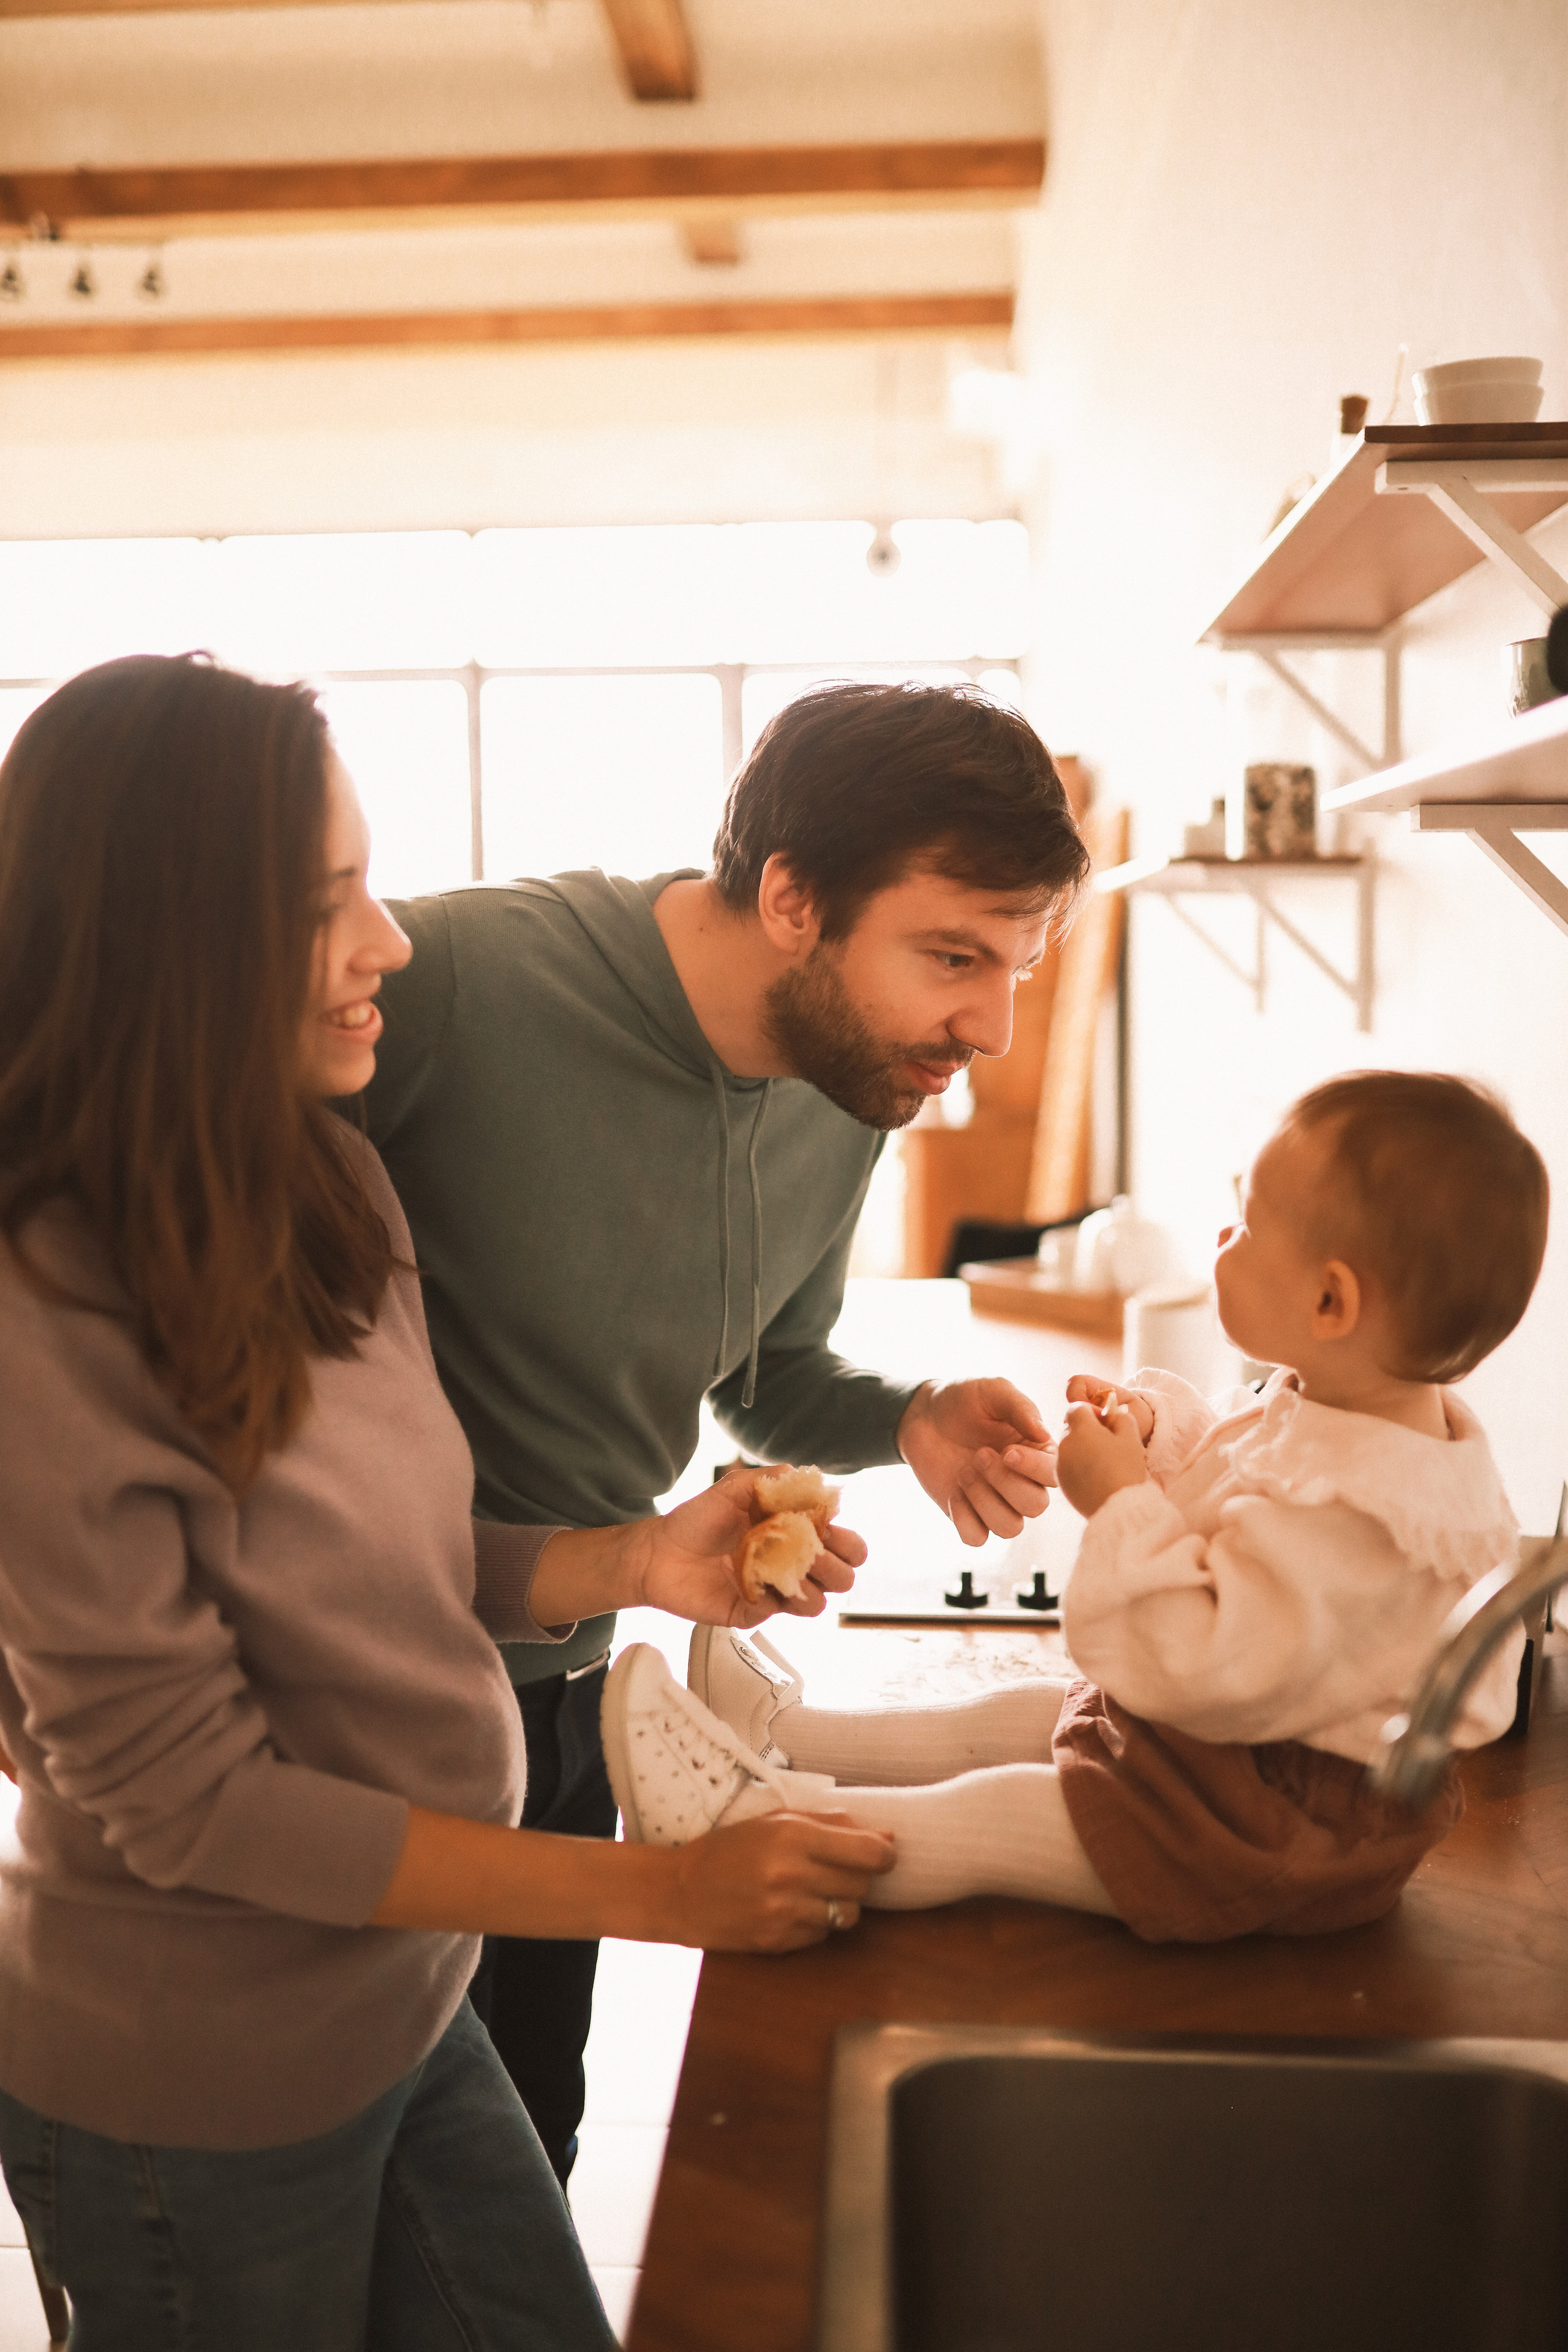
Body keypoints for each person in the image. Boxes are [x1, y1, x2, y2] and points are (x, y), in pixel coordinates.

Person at [0, 654, 892, 2350]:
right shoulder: (43, 1300)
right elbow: (194, 1806)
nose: (390, 942)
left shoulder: (322, 1174)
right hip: (192, 2088)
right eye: (326, 900)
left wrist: (638, 1562)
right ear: (161, 935)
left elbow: (378, 1570)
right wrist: (662, 1897)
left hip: (402, 2001)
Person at [360, 679, 1090, 2176]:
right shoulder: (456, 982)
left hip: (559, 1695)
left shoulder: (850, 1081)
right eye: (953, 957)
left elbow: (769, 1370)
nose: (993, 1027)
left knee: (514, 2165)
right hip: (349, 1703)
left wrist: (914, 1421)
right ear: (790, 898)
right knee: (330, 2196)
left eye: (1017, 968)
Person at [604, 1072, 1548, 1942]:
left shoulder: (1367, 1527)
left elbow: (1193, 1655)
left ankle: (746, 1821)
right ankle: (782, 1741)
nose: (1224, 1243)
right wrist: (1154, 1432)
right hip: (1226, 1762)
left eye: (1247, 1227)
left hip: (1262, 1833)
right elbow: (1246, 1474)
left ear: (1332, 1302)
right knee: (1026, 1711)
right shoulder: (1362, 1414)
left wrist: (1123, 1500)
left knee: (991, 1815)